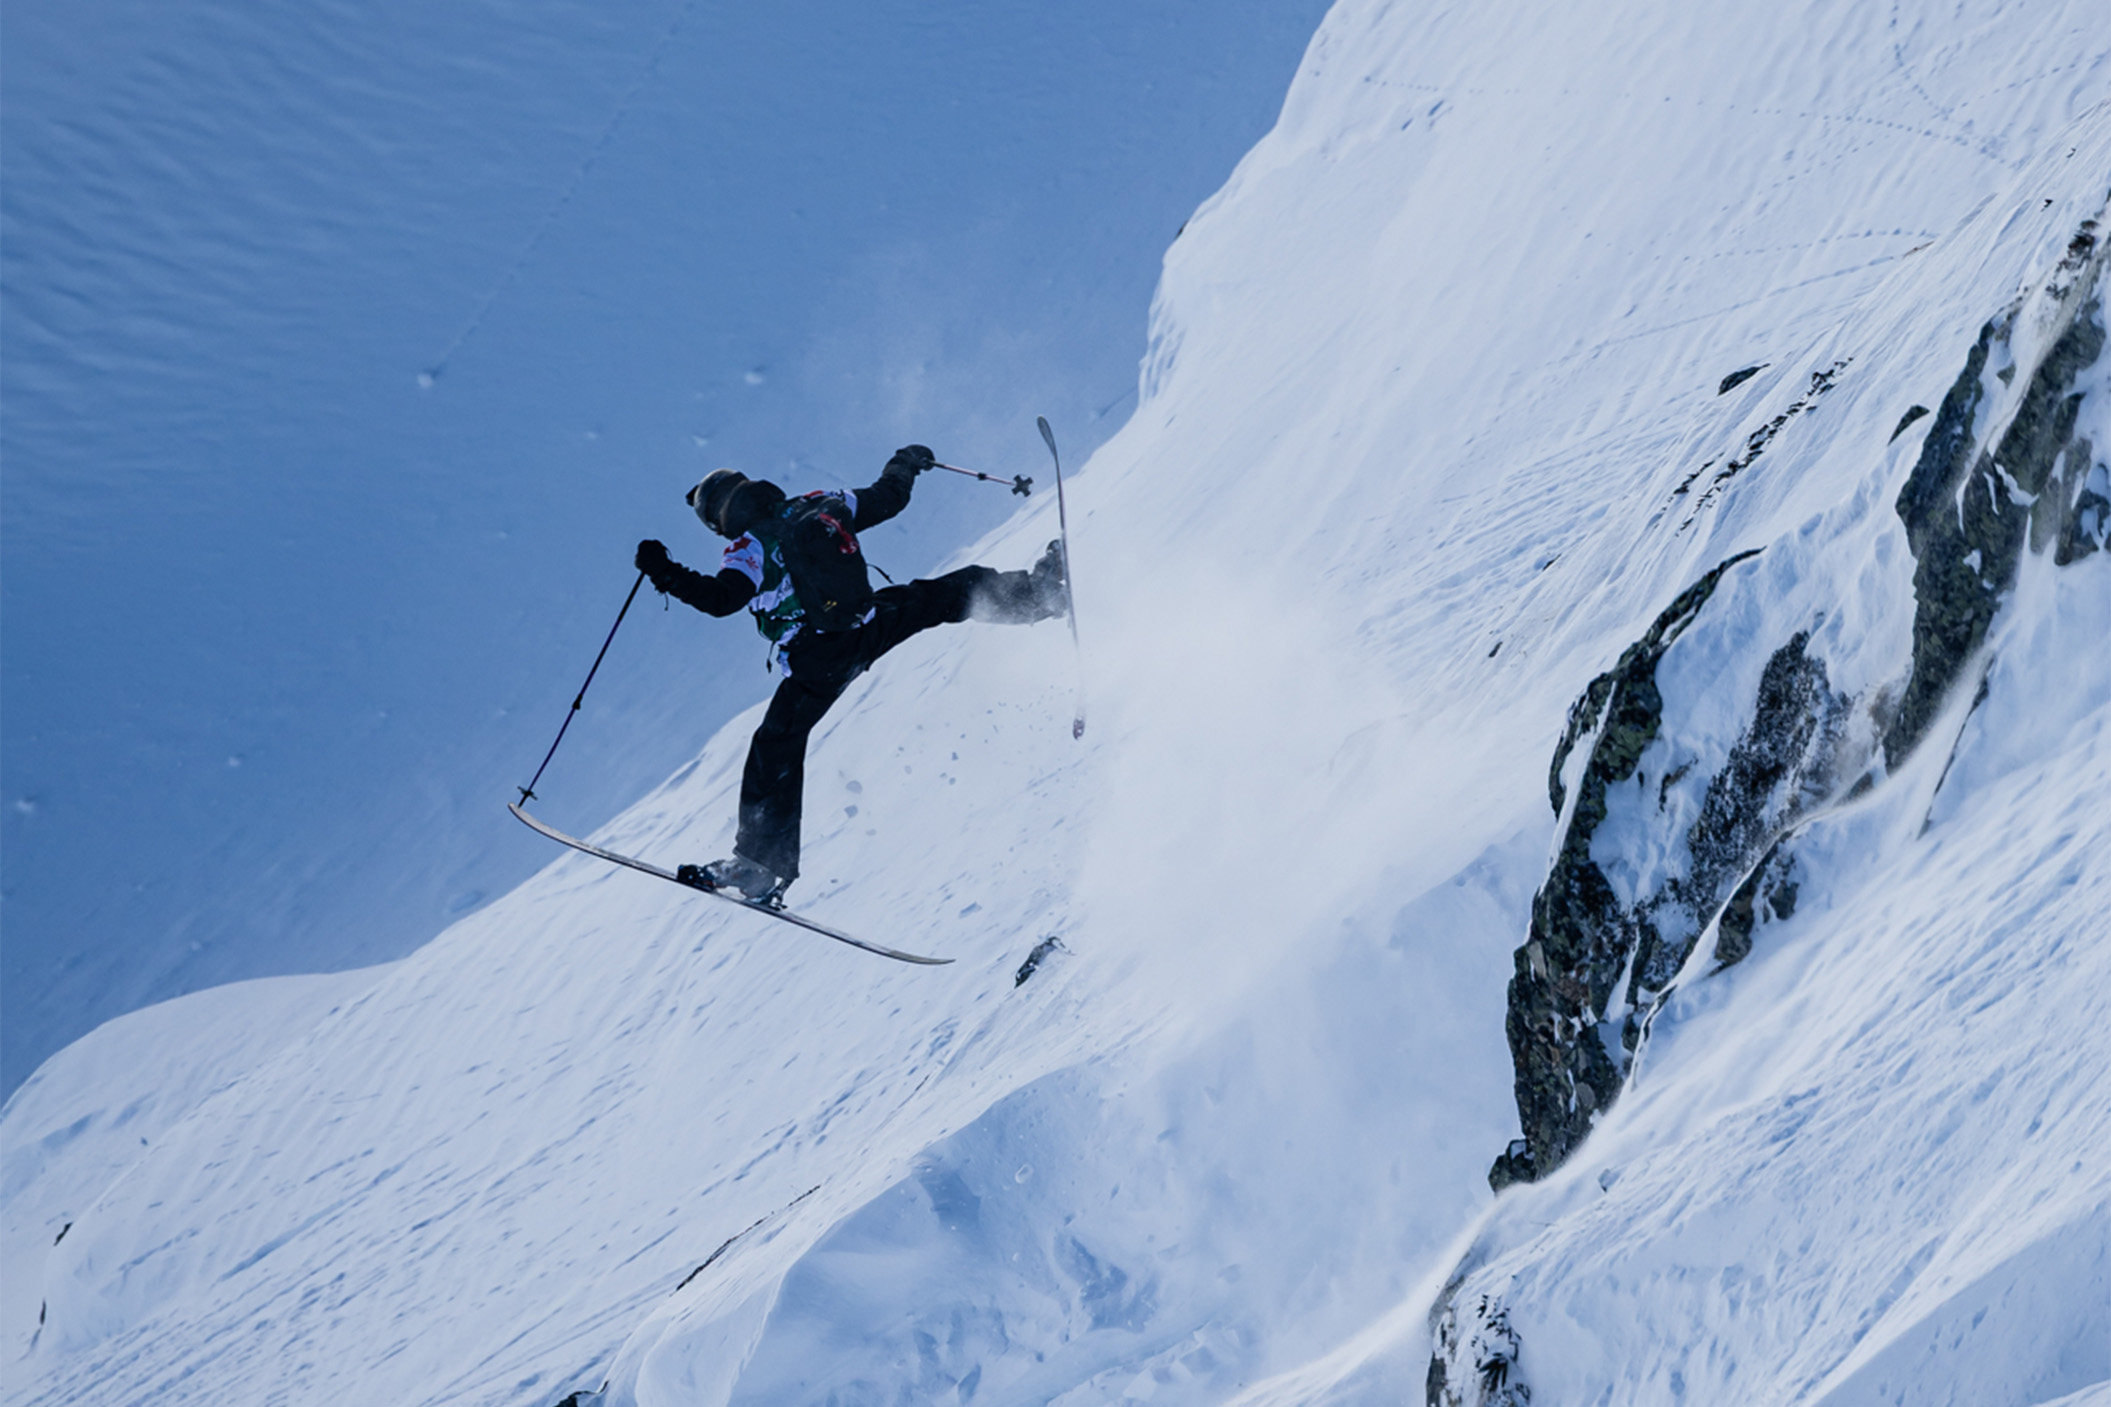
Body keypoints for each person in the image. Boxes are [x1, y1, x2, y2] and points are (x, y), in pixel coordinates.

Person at [634, 443, 1067, 907]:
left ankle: (759, 866)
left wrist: (663, 572)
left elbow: (721, 600)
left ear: (721, 519)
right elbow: (889, 498)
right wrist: (905, 463)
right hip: (866, 624)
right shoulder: (820, 502)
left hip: (818, 657)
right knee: (948, 594)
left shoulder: (749, 546)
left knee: (775, 745)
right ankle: (1041, 596)